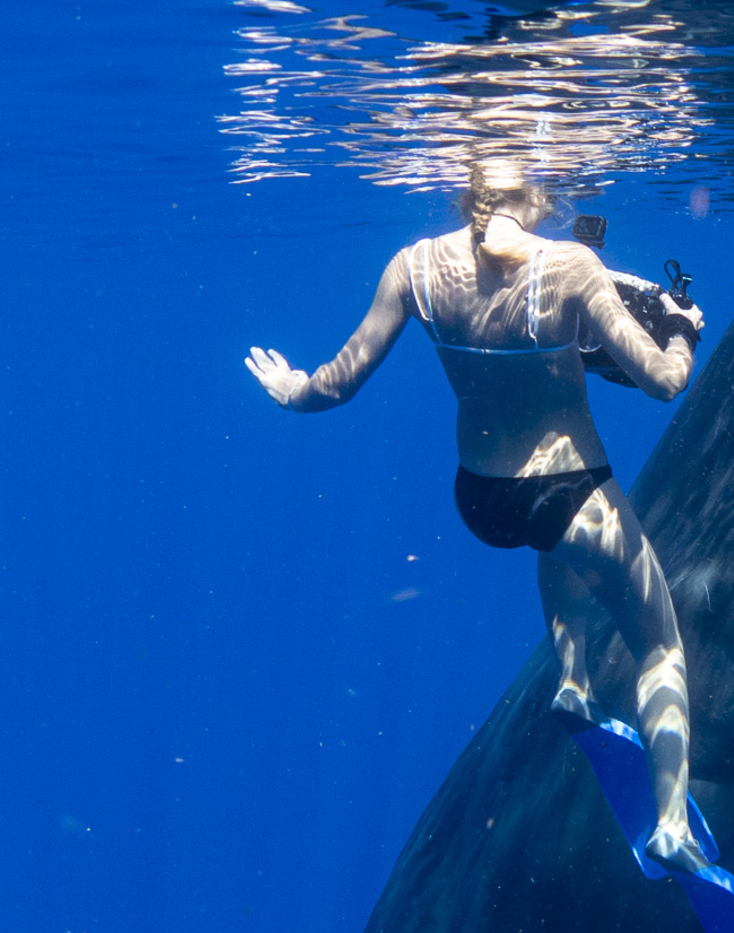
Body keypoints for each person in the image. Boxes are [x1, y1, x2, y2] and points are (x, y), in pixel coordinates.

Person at [246, 173, 709, 874]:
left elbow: (338, 382)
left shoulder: (416, 267)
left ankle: (574, 680)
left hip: (481, 497)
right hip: (568, 488)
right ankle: (671, 823)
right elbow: (663, 383)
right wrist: (681, 331)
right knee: (660, 642)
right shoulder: (569, 269)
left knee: (550, 542)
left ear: (466, 189)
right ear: (535, 194)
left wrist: (289, 391)